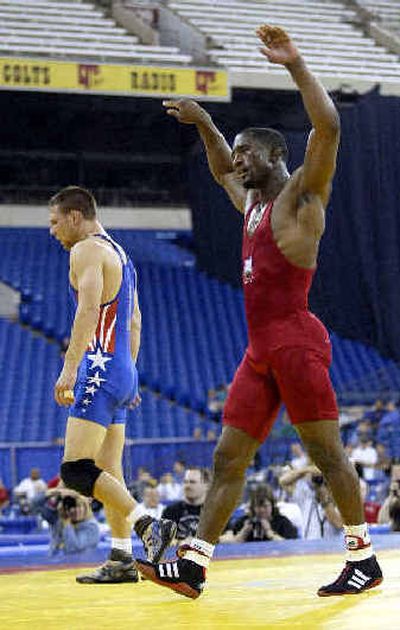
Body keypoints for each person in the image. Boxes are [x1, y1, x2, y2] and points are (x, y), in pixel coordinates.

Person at [136, 24, 383, 597]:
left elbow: (330, 126)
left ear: (276, 155)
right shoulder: (249, 203)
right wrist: (206, 124)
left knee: (326, 453)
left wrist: (295, 63)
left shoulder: (301, 197)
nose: (238, 160)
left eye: (249, 151)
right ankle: (194, 564)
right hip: (260, 349)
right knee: (227, 459)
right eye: (239, 150)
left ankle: (362, 557)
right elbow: (221, 168)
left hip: (295, 340)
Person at [49, 185, 176, 584]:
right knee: (110, 470)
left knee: (75, 471)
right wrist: (131, 374)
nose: (52, 231)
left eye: (54, 222)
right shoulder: (121, 254)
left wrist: (71, 368)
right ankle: (122, 558)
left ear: (75, 216)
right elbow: (134, 319)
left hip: (99, 367)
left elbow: (88, 309)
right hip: (121, 368)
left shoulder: (85, 249)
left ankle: (148, 525)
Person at [280, 465, 342, 539]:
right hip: (309, 548)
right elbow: (283, 482)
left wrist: (324, 497)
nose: (323, 485)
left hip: (331, 549)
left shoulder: (341, 500)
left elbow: (338, 523)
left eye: (326, 484)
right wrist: (307, 470)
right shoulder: (306, 497)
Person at [33, 487, 100, 555]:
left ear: (85, 507)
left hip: (80, 564)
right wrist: (57, 492)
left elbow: (73, 548)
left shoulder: (91, 526)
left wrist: (66, 523)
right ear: (65, 508)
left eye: (80, 506)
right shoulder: (57, 519)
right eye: (71, 506)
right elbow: (35, 504)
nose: (76, 510)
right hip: (54, 563)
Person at [221, 483, 298, 542]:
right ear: (253, 507)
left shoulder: (283, 522)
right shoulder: (244, 522)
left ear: (272, 505)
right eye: (258, 506)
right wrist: (243, 533)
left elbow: (290, 545)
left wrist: (269, 532)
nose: (261, 510)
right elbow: (228, 544)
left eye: (265, 506)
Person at [162, 467, 210, 543]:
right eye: (185, 482)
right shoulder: (170, 512)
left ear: (206, 486)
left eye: (192, 482)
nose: (187, 486)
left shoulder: (216, 512)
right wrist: (180, 542)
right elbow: (161, 540)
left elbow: (228, 536)